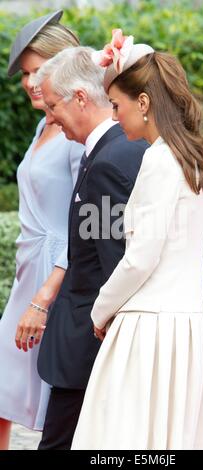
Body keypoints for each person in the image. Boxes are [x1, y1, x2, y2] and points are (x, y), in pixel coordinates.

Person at [71, 29, 203, 450]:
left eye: (118, 106)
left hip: (150, 328)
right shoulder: (199, 161)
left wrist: (99, 312)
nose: (115, 116)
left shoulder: (161, 160)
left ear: (144, 102)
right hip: (189, 325)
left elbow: (140, 258)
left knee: (123, 444)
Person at [32, 45, 148, 450]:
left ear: (80, 98)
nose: (49, 119)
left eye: (51, 107)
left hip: (89, 345)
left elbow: (117, 262)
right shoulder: (116, 149)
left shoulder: (109, 161)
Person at [0, 11, 84, 450]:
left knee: (59, 404)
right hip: (26, 273)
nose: (32, 83)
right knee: (3, 390)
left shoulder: (75, 132)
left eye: (39, 71)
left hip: (56, 278)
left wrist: (45, 296)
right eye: (27, 74)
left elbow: (83, 222)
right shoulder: (41, 125)